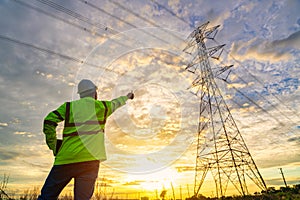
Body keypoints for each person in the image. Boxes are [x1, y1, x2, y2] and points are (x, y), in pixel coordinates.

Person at [38, 79, 134, 200]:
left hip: (65, 159)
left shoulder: (68, 107)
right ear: (95, 93)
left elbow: (49, 121)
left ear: (81, 94)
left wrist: (54, 145)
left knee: (46, 197)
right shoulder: (102, 107)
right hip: (90, 162)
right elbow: (116, 102)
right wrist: (127, 97)